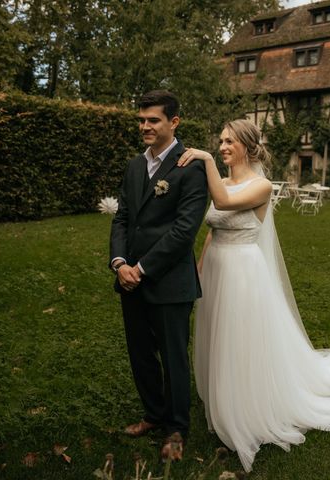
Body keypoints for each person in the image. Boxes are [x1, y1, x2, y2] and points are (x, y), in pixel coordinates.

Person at [178, 119, 330, 472]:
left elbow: (221, 201)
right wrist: (200, 267)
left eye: (229, 141)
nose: (221, 147)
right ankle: (220, 397)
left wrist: (203, 160)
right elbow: (212, 227)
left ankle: (246, 405)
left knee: (240, 339)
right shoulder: (228, 179)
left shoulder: (260, 186)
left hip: (242, 272)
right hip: (217, 268)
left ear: (248, 147)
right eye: (219, 141)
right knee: (218, 336)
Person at [109, 90, 208, 460]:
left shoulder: (191, 166)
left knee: (172, 356)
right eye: (141, 120)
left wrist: (143, 268)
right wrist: (120, 263)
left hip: (168, 282)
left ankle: (177, 428)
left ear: (174, 122)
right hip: (129, 279)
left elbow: (184, 231)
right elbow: (122, 217)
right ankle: (153, 413)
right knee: (140, 354)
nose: (145, 126)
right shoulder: (135, 165)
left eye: (153, 120)